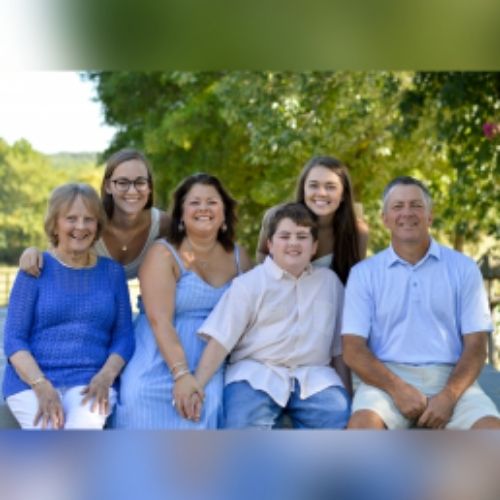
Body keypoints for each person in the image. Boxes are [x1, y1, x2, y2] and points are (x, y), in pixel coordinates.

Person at [342, 176, 500, 430]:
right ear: (384, 219)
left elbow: (476, 346)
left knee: (492, 438)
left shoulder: (464, 269)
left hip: (452, 379)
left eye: (416, 205)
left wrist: (448, 397)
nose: (407, 212)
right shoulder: (364, 274)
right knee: (361, 433)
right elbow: (353, 349)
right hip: (384, 380)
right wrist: (398, 388)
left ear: (430, 216)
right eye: (397, 206)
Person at [190, 203, 351, 429]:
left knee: (339, 418)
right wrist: (196, 386)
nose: (293, 243)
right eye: (284, 236)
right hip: (256, 374)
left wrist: (347, 392)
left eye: (302, 236)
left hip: (315, 377)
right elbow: (220, 341)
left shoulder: (329, 283)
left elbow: (338, 348)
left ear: (314, 247)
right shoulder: (249, 284)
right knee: (243, 424)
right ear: (270, 244)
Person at [114, 173, 252, 429]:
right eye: (194, 202)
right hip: (158, 353)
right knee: (139, 397)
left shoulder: (239, 257)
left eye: (212, 202)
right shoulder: (163, 253)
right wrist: (181, 374)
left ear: (224, 212)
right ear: (180, 213)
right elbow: (159, 320)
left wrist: (196, 378)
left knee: (208, 405)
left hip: (210, 357)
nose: (203, 208)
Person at [2, 183, 135, 430]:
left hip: (91, 381)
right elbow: (14, 339)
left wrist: (106, 377)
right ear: (55, 224)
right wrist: (41, 385)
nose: (80, 227)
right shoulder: (34, 269)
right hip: (31, 382)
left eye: (89, 219)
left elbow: (124, 336)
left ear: (97, 226)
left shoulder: (112, 273)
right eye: (71, 219)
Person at [19, 148, 170, 280]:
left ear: (149, 186)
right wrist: (31, 252)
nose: (132, 190)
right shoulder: (90, 222)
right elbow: (57, 252)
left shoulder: (163, 224)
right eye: (122, 182)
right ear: (108, 186)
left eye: (140, 182)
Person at [256, 156, 369, 284]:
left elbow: (356, 281)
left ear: (343, 194)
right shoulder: (277, 217)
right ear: (304, 189)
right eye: (313, 185)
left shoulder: (357, 231)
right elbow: (262, 253)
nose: (321, 193)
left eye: (330, 187)